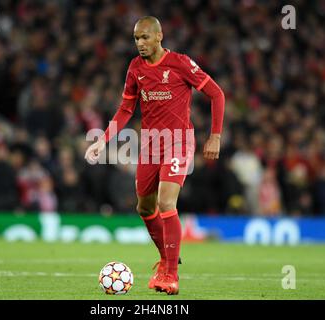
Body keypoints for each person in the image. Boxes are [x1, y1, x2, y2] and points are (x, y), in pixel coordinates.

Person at [85, 16, 225, 295]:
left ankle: (171, 275)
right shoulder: (135, 68)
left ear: (159, 36)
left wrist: (215, 135)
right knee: (145, 208)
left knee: (165, 201)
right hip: (150, 145)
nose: (140, 43)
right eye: (136, 38)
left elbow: (216, 94)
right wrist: (103, 140)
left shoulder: (181, 63)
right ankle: (166, 258)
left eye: (145, 37)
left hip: (178, 142)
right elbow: (126, 109)